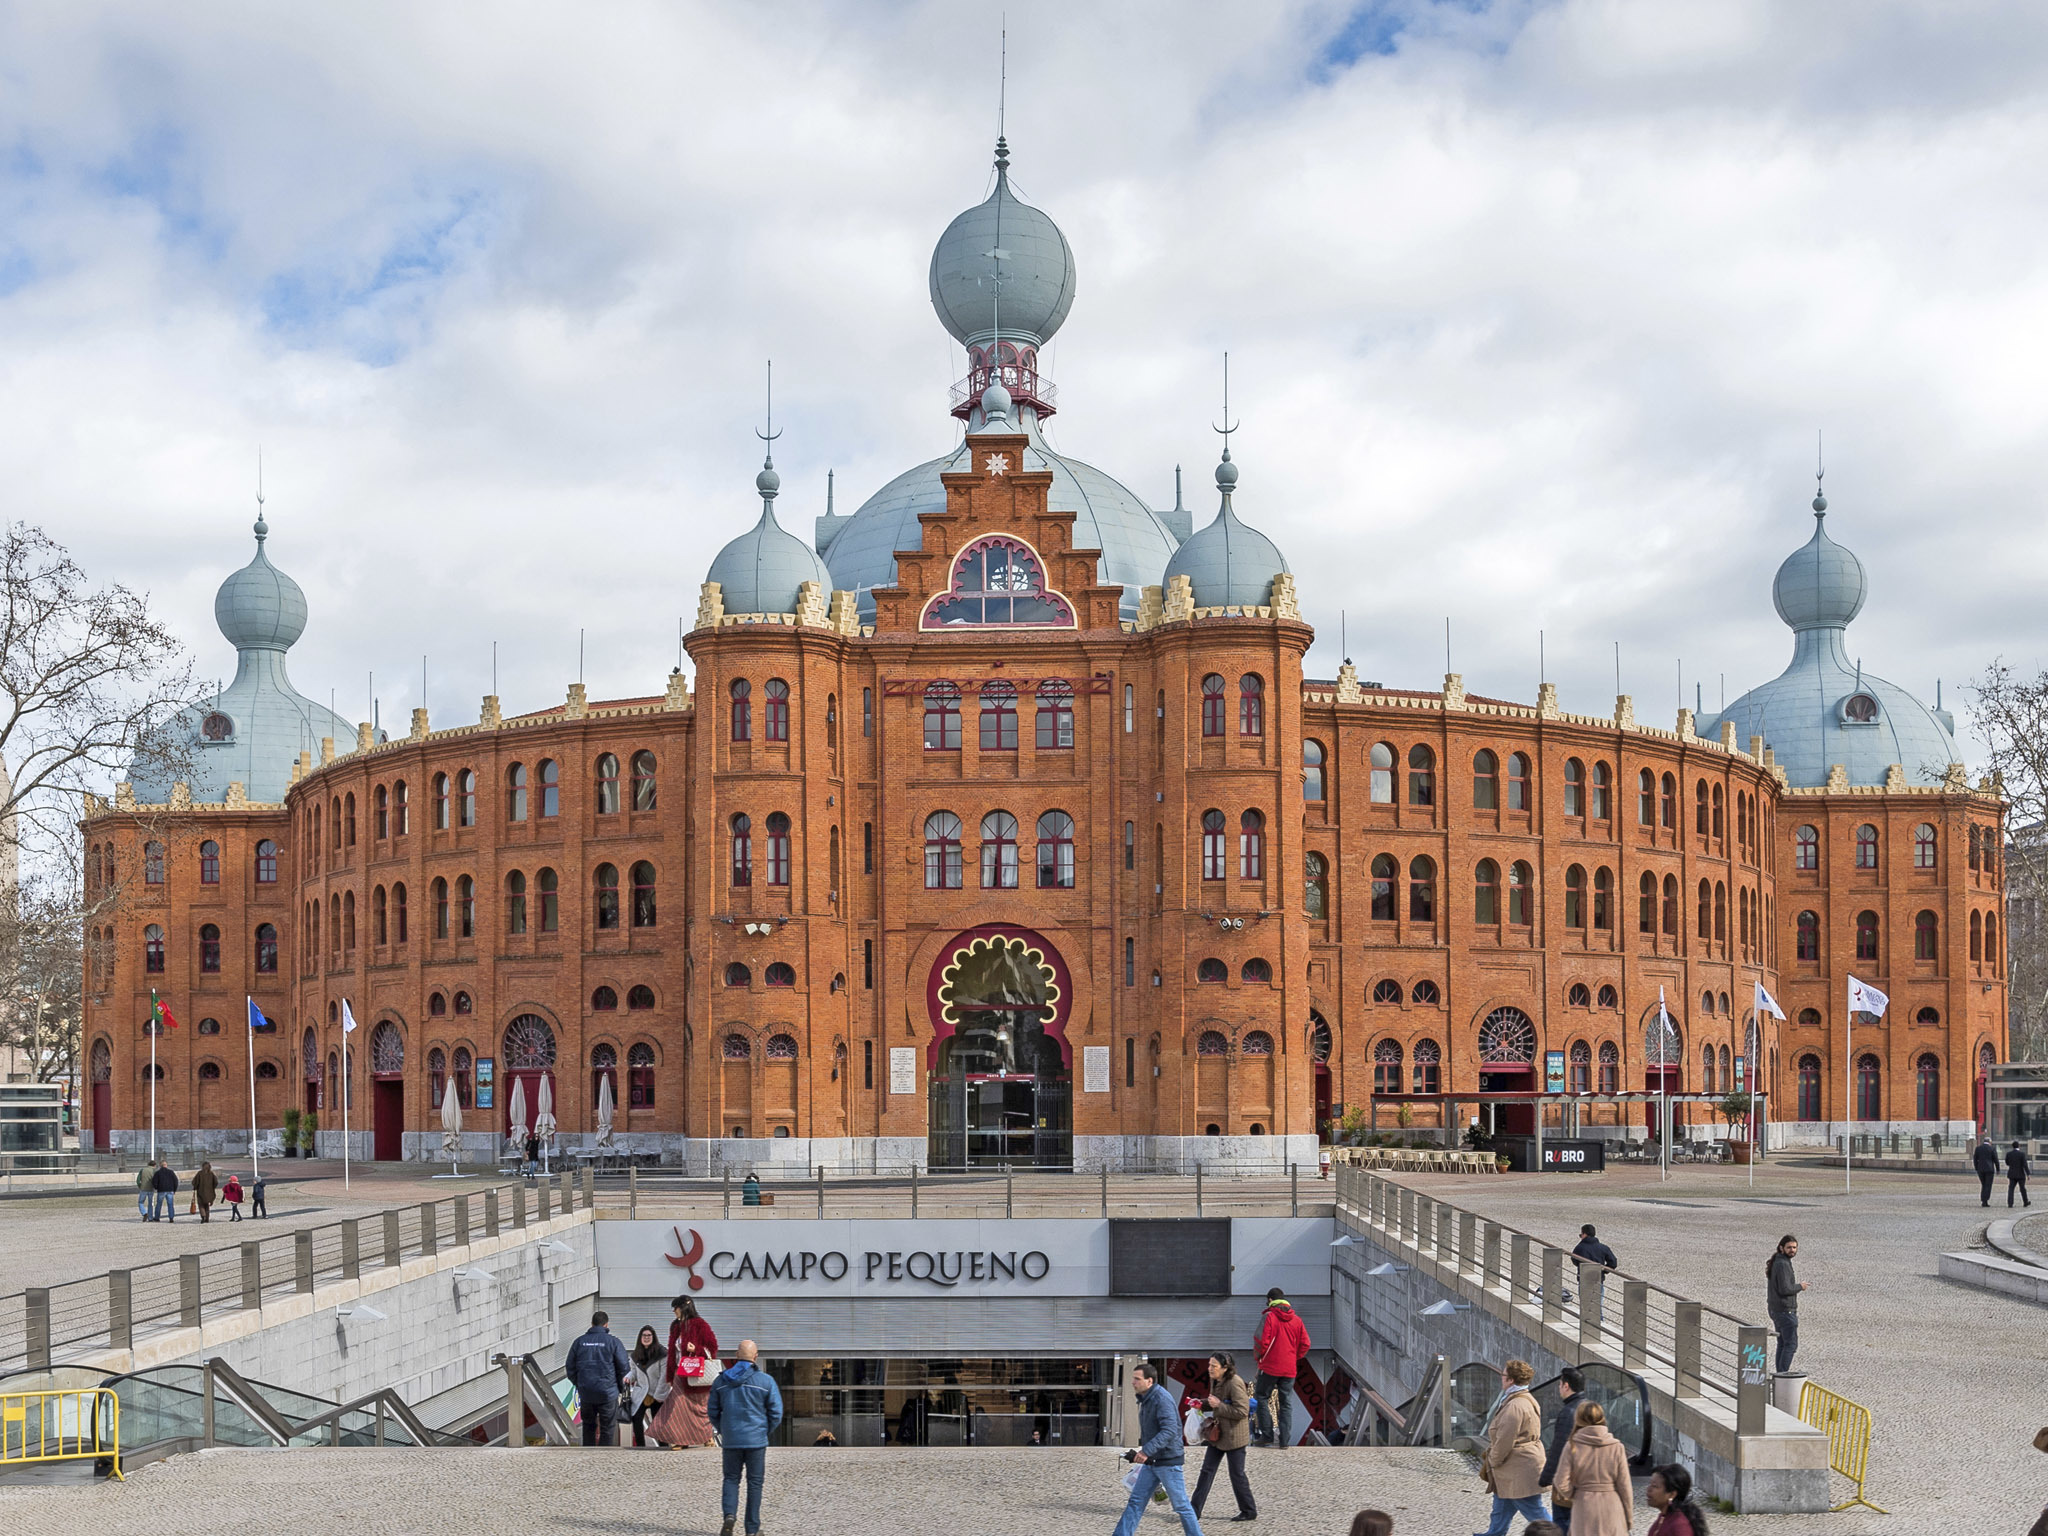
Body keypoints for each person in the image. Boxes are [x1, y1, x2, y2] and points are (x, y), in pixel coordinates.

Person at [1112, 1361, 1204, 1536]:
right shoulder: (1147, 1399)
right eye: (1133, 1378)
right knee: (1136, 1501)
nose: (1133, 1382)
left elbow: (1170, 1430)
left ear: (1150, 1381)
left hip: (1168, 1462)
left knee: (1182, 1506)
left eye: (1137, 1379)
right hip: (1153, 1462)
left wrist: (1146, 1451)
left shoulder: (1161, 1399)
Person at [708, 1339, 783, 1536]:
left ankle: (729, 1516)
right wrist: (763, 1430)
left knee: (731, 1479)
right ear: (755, 1357)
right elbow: (776, 1412)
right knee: (755, 1483)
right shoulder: (766, 1381)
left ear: (736, 1355)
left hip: (732, 1439)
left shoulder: (721, 1381)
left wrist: (724, 1429)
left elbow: (712, 1411)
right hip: (756, 1441)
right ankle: (752, 1530)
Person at [1475, 1359, 1547, 1536]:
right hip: (1517, 1466)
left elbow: (1505, 1440)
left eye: (1503, 1375)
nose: (1501, 1378)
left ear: (1511, 1380)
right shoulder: (1523, 1399)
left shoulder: (1515, 1405)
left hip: (1518, 1467)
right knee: (1501, 1503)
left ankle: (1557, 1533)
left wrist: (1493, 1460)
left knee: (1534, 1511)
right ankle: (1494, 1533)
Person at [1190, 1352, 1256, 1524]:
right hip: (1217, 1435)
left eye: (1214, 1366)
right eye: (1209, 1365)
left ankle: (1249, 1510)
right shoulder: (1216, 1380)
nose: (1209, 1369)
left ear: (1225, 1368)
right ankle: (1194, 1511)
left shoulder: (1235, 1383)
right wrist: (1201, 1403)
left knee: (1237, 1475)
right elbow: (1215, 1401)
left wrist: (1218, 1405)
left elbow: (1242, 1411)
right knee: (1206, 1471)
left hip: (1234, 1437)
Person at [1551, 1401, 1630, 1536]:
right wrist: (1628, 1518)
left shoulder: (1572, 1446)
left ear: (1578, 1419)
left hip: (1584, 1504)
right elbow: (1624, 1486)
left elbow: (1560, 1481)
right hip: (1611, 1504)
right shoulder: (1617, 1447)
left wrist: (1573, 1494)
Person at [651, 1296, 720, 1446]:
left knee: (698, 1409)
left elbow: (712, 1347)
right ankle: (680, 1439)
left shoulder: (700, 1324)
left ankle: (706, 1436)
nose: (673, 1311)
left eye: (675, 1307)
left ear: (683, 1308)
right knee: (677, 1407)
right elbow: (672, 1352)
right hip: (679, 1372)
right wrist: (670, 1374)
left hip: (696, 1373)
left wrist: (696, 1349)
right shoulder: (675, 1326)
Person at [1251, 1286, 1310, 1449]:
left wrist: (1259, 1359)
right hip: (1289, 1369)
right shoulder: (1297, 1320)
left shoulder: (1269, 1317)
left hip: (1269, 1366)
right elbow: (1306, 1343)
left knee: (1262, 1397)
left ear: (1270, 1300)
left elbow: (1260, 1341)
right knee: (1286, 1403)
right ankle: (1284, 1441)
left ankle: (1267, 1436)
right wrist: (1294, 1357)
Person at [566, 1311, 633, 1447]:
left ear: (592, 1324)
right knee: (607, 1428)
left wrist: (579, 1384)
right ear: (606, 1324)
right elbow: (624, 1368)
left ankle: (588, 1454)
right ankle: (604, 1457)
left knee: (588, 1426)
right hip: (608, 1393)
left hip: (586, 1393)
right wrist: (619, 1388)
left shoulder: (579, 1342)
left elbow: (570, 1367)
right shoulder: (613, 1342)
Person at [1538, 1367, 1584, 1530]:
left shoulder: (1568, 1412)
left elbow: (1559, 1449)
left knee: (1563, 1524)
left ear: (1566, 1386)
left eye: (1559, 1385)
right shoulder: (1587, 1407)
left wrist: (1546, 1477)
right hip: (1585, 1479)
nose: (1559, 1389)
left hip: (1568, 1480)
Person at [1766, 1235, 1808, 1375]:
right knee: (1790, 1344)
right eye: (1789, 1247)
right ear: (1781, 1248)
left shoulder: (1779, 1261)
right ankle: (1782, 1375)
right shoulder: (1783, 1264)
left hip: (1777, 1309)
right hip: (1785, 1311)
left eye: (1794, 1248)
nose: (1792, 1250)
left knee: (1782, 1343)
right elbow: (1785, 1289)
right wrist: (1800, 1287)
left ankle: (1779, 1375)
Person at [628, 1325, 667, 1447]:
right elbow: (634, 1372)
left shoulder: (662, 1353)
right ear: (640, 1338)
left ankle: (663, 1446)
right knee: (636, 1418)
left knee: (658, 1422)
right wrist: (628, 1377)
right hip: (641, 1393)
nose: (646, 1338)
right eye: (644, 1335)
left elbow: (664, 1376)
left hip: (656, 1393)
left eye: (649, 1335)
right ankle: (640, 1446)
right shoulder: (635, 1355)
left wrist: (659, 1394)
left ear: (653, 1337)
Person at [1645, 1463, 1709, 1536]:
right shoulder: (1665, 1517)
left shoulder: (1680, 1526)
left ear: (1672, 1494)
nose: (1648, 1489)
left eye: (1655, 1486)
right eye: (1650, 1484)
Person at [1975, 1135, 2002, 1206]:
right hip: (1989, 1169)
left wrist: (1976, 1168)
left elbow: (1975, 1159)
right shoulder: (1992, 1149)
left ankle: (1983, 1199)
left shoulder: (1978, 1148)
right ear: (1989, 1142)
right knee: (1988, 1185)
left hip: (1980, 1169)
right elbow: (1996, 1159)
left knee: (1983, 1184)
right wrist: (1998, 1169)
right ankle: (1985, 1200)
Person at [2010, 1141, 2034, 1208]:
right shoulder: (2022, 1154)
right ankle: (2025, 1202)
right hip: (2020, 1173)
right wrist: (2028, 1174)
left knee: (2011, 1189)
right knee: (2022, 1188)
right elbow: (2025, 1165)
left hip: (2012, 1173)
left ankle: (2010, 1203)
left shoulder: (2009, 1154)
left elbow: (2007, 1162)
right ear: (2019, 1146)